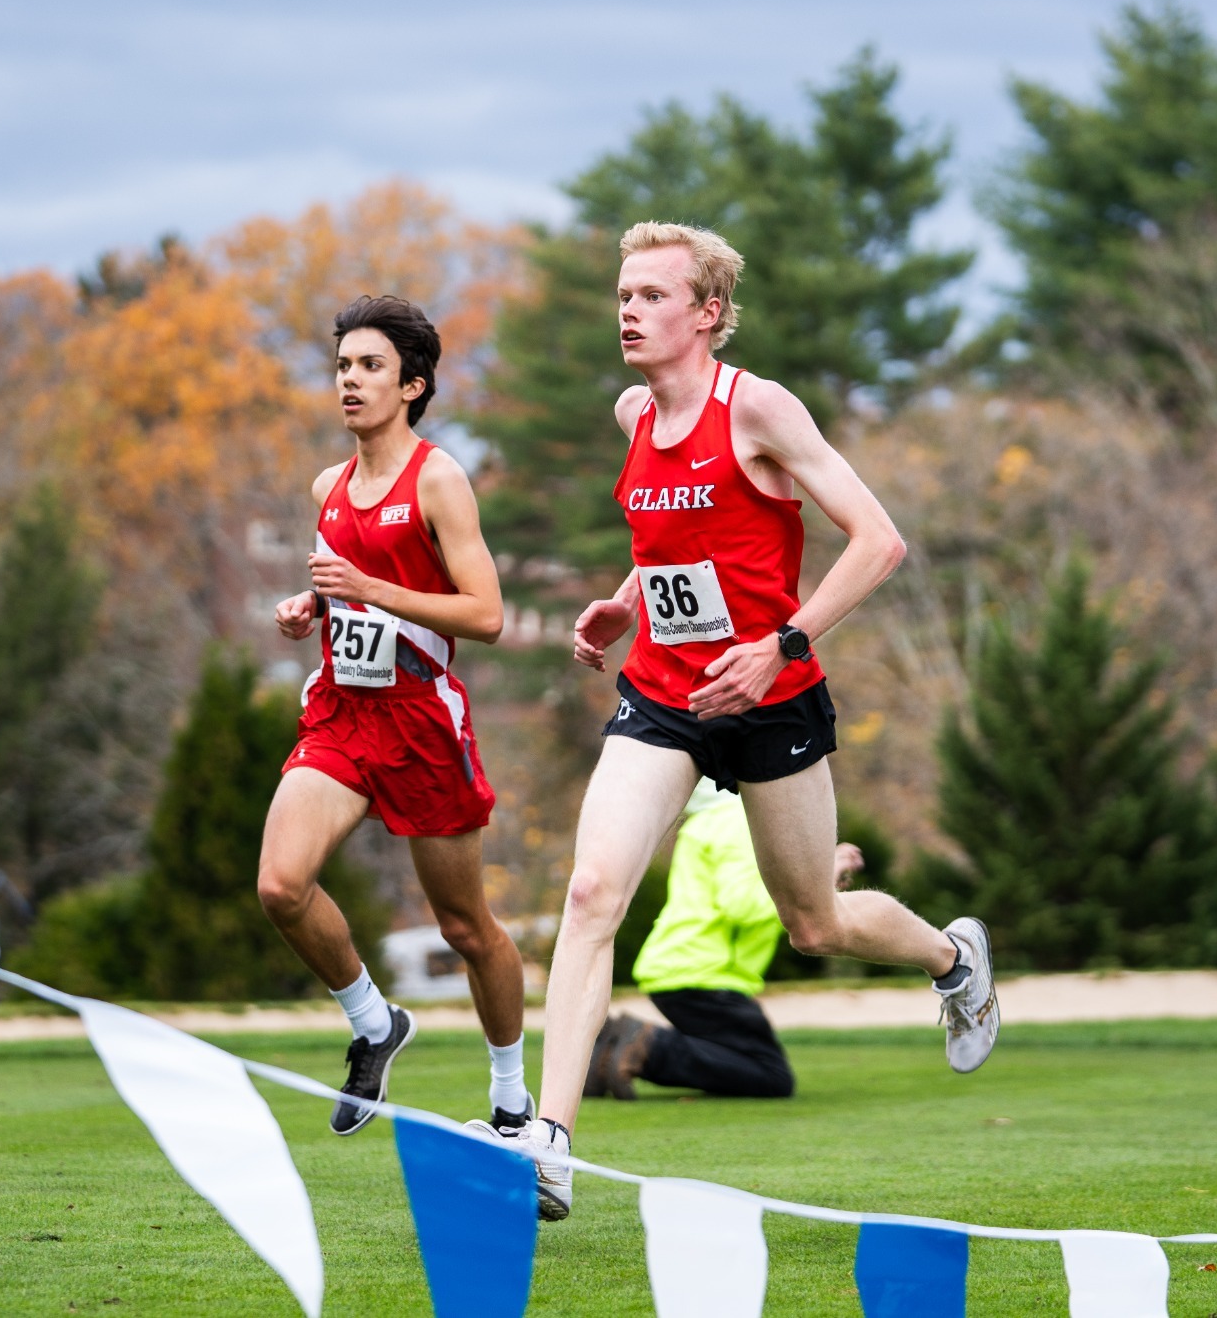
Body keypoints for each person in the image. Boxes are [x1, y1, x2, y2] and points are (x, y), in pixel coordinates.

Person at [509, 223, 999, 1221]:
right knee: (593, 887)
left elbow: (878, 541)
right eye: (621, 294)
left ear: (707, 314)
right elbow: (672, 543)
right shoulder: (631, 413)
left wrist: (783, 643)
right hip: (664, 698)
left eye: (650, 295)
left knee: (812, 923)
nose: (627, 312)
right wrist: (622, 601)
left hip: (770, 696)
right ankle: (547, 1139)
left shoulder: (759, 410)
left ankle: (954, 960)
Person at [263, 295, 532, 1137]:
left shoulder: (440, 478)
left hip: (422, 723)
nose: (351, 381)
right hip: (343, 713)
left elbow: (486, 615)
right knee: (280, 884)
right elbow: (352, 579)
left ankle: (513, 1100)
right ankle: (375, 1022)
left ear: (412, 385)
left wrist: (369, 591)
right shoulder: (329, 485)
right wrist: (311, 605)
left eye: (370, 366)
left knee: (465, 927)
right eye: (343, 366)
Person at [587, 778, 869, 1102]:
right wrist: (819, 881)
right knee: (770, 1075)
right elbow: (741, 905)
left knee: (733, 1060)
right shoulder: (736, 821)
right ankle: (646, 1045)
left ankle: (606, 1049)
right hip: (708, 977)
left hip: (683, 969)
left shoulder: (705, 823)